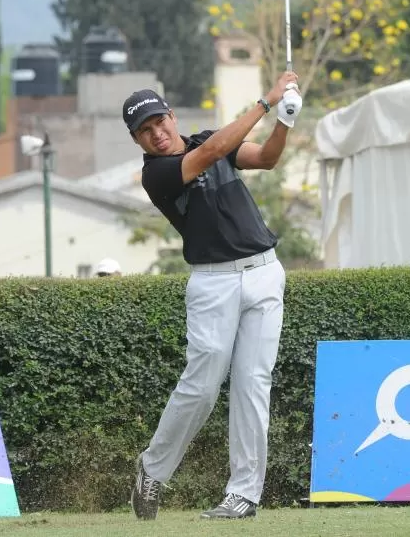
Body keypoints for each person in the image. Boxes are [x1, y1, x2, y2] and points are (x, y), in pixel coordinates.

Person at [124, 70, 302, 521]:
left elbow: (265, 158)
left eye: (158, 122)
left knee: (252, 386)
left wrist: (286, 118)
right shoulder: (158, 173)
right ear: (138, 141)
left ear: (171, 116)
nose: (156, 134)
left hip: (264, 273)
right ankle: (152, 469)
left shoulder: (207, 138)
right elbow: (212, 152)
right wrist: (266, 101)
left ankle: (243, 494)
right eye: (144, 131)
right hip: (212, 282)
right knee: (201, 387)